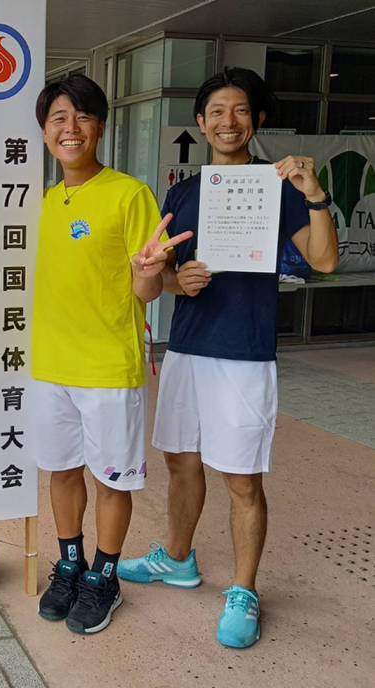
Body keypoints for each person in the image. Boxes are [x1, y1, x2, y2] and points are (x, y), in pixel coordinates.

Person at [118, 67, 338, 648]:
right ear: (200, 122)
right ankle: (178, 559)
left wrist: (314, 194)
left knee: (241, 479)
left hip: (244, 352)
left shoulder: (279, 186)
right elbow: (162, 274)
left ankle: (244, 589)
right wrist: (177, 279)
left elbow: (324, 261)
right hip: (187, 348)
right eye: (216, 111)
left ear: (256, 120)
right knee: (181, 463)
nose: (228, 121)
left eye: (240, 110)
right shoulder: (184, 192)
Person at [32, 75, 189, 635]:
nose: (70, 128)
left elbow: (148, 289)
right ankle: (70, 564)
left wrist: (149, 271)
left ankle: (105, 576)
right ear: (45, 132)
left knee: (111, 480)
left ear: (100, 126)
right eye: (58, 118)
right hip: (49, 364)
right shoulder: (44, 201)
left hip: (106, 367)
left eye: (82, 116)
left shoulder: (129, 194)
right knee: (62, 471)